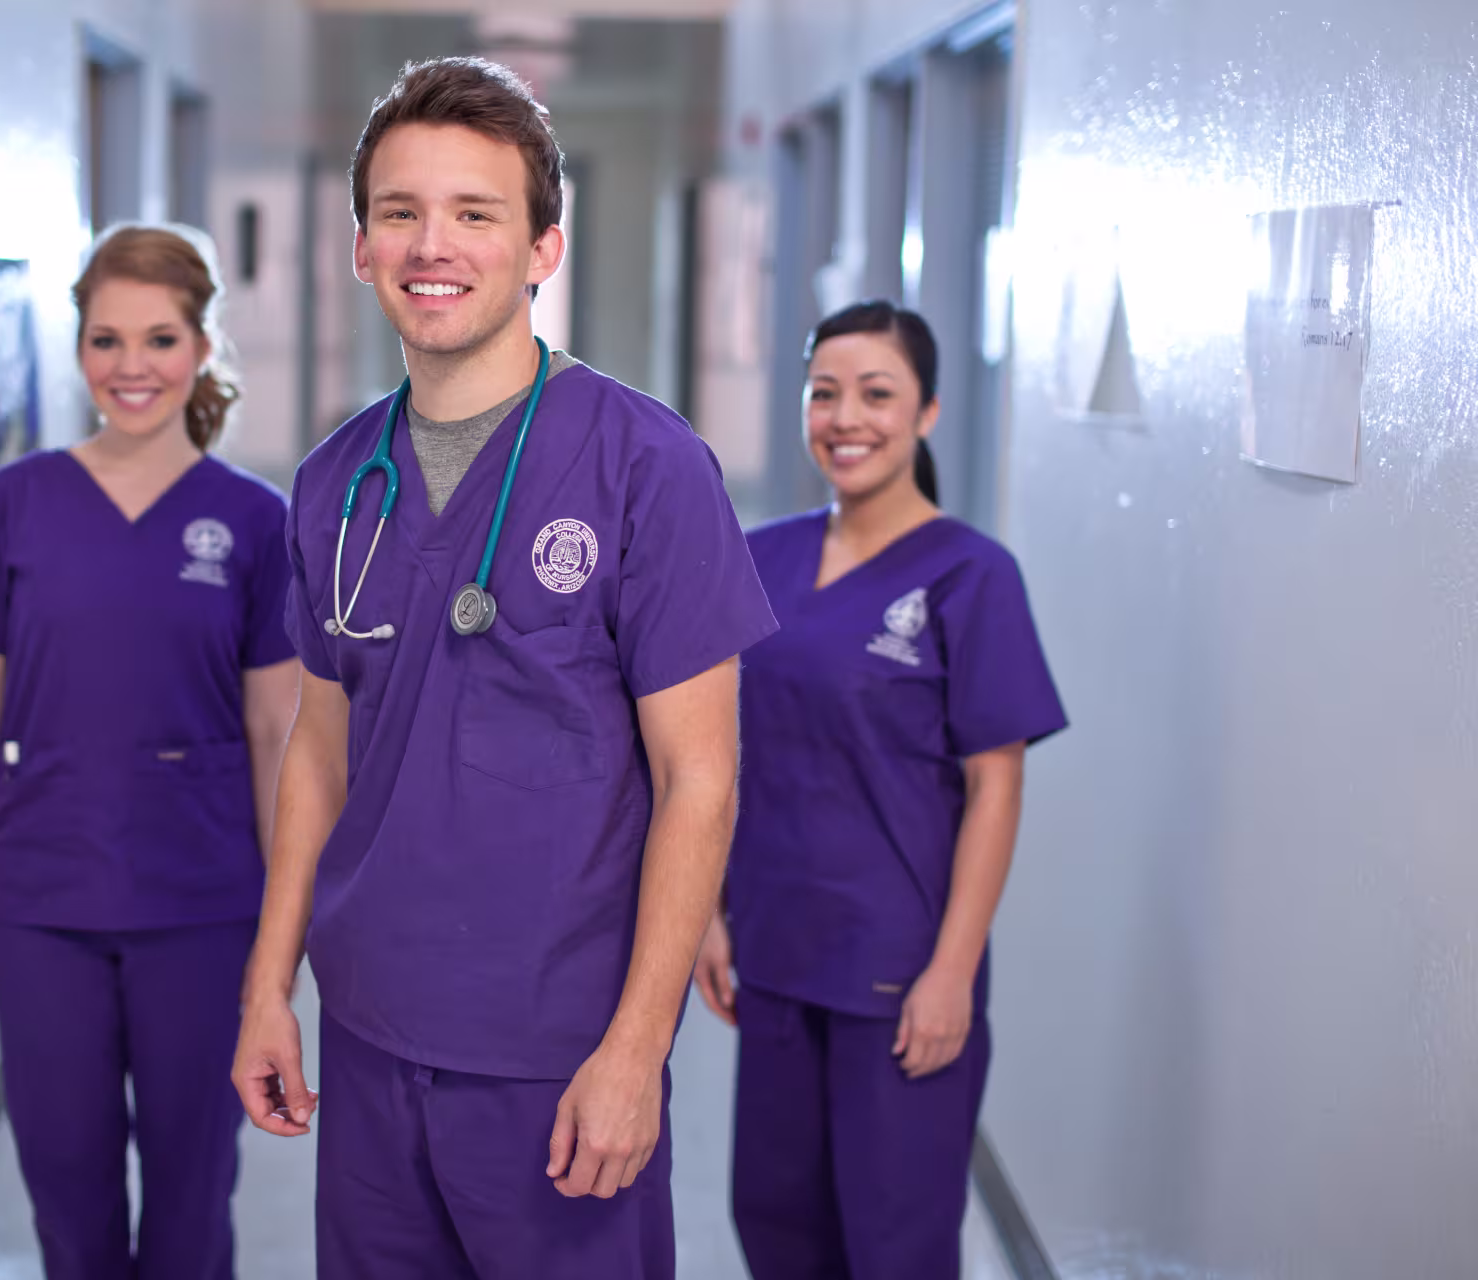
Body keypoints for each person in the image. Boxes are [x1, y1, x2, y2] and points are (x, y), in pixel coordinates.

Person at [228, 58, 778, 1280]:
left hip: (557, 1048)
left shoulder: (647, 466)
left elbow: (702, 779)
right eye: (402, 212)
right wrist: (270, 985)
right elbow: (318, 754)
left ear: (543, 248)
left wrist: (638, 1048)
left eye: (476, 213)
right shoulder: (333, 482)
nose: (436, 244)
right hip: (371, 1031)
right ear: (361, 246)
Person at [0, 224, 300, 1280]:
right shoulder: (13, 508)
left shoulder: (253, 524)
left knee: (191, 1192)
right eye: (106, 339)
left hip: (204, 899)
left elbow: (279, 730)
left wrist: (282, 925)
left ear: (202, 348)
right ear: (79, 349)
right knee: (68, 1189)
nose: (132, 365)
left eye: (160, 337)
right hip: (43, 898)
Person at [693, 301, 1067, 1280]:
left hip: (898, 975)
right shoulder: (759, 556)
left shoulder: (972, 577)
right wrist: (708, 913)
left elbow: (997, 789)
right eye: (824, 393)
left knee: (894, 1243)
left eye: (876, 393)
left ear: (928, 412)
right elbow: (716, 752)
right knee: (776, 1223)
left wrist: (952, 971)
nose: (845, 417)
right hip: (775, 954)